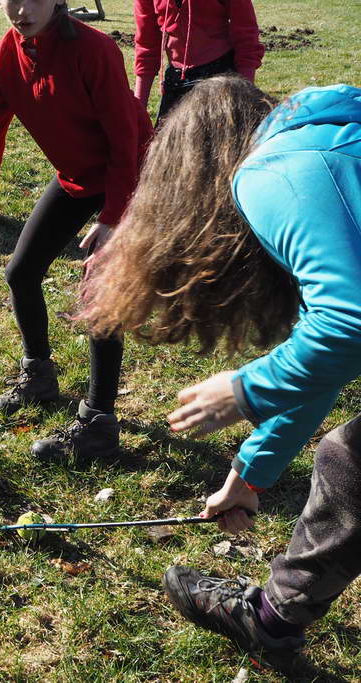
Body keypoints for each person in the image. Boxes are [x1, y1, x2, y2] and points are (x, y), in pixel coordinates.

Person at [80, 77, 361, 674]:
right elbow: (329, 354)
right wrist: (250, 473)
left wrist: (243, 391)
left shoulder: (278, 172)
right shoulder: (334, 142)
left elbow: (349, 322)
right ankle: (274, 620)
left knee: (350, 459)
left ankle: (271, 620)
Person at [0, 0, 152, 459]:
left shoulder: (95, 50)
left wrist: (112, 219)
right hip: (77, 177)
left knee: (101, 290)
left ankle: (98, 423)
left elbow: (124, 139)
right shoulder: (0, 60)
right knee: (21, 273)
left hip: (135, 173)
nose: (22, 10)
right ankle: (39, 377)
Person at [133, 0, 264, 122]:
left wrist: (245, 96)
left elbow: (246, 36)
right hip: (176, 81)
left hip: (220, 79)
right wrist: (138, 110)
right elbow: (146, 46)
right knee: (166, 138)